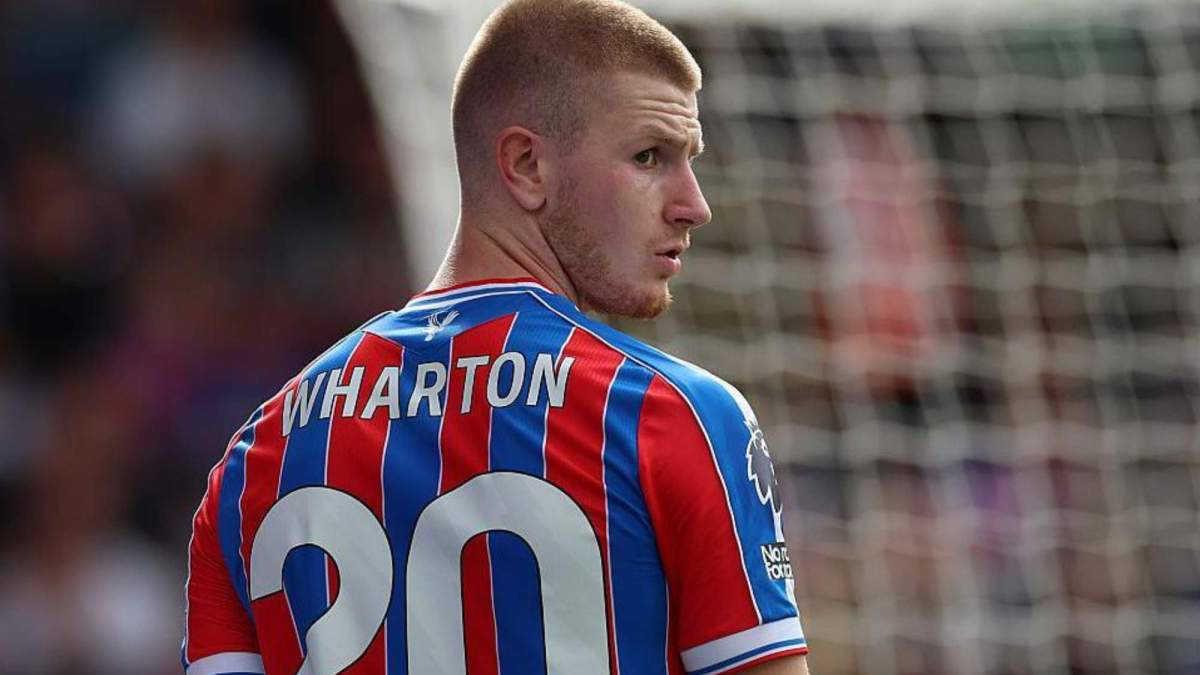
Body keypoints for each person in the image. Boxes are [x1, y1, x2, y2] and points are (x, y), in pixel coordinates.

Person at [181, 1, 811, 673]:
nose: (695, 204)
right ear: (526, 165)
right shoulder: (674, 417)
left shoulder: (258, 455)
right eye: (649, 155)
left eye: (690, 160)